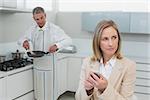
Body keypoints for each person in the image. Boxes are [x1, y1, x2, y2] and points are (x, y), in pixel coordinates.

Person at [75, 20, 136, 100]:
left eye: (114, 37)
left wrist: (105, 88)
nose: (111, 43)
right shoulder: (87, 62)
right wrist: (88, 90)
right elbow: (78, 98)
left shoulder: (129, 66)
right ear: (97, 42)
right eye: (105, 39)